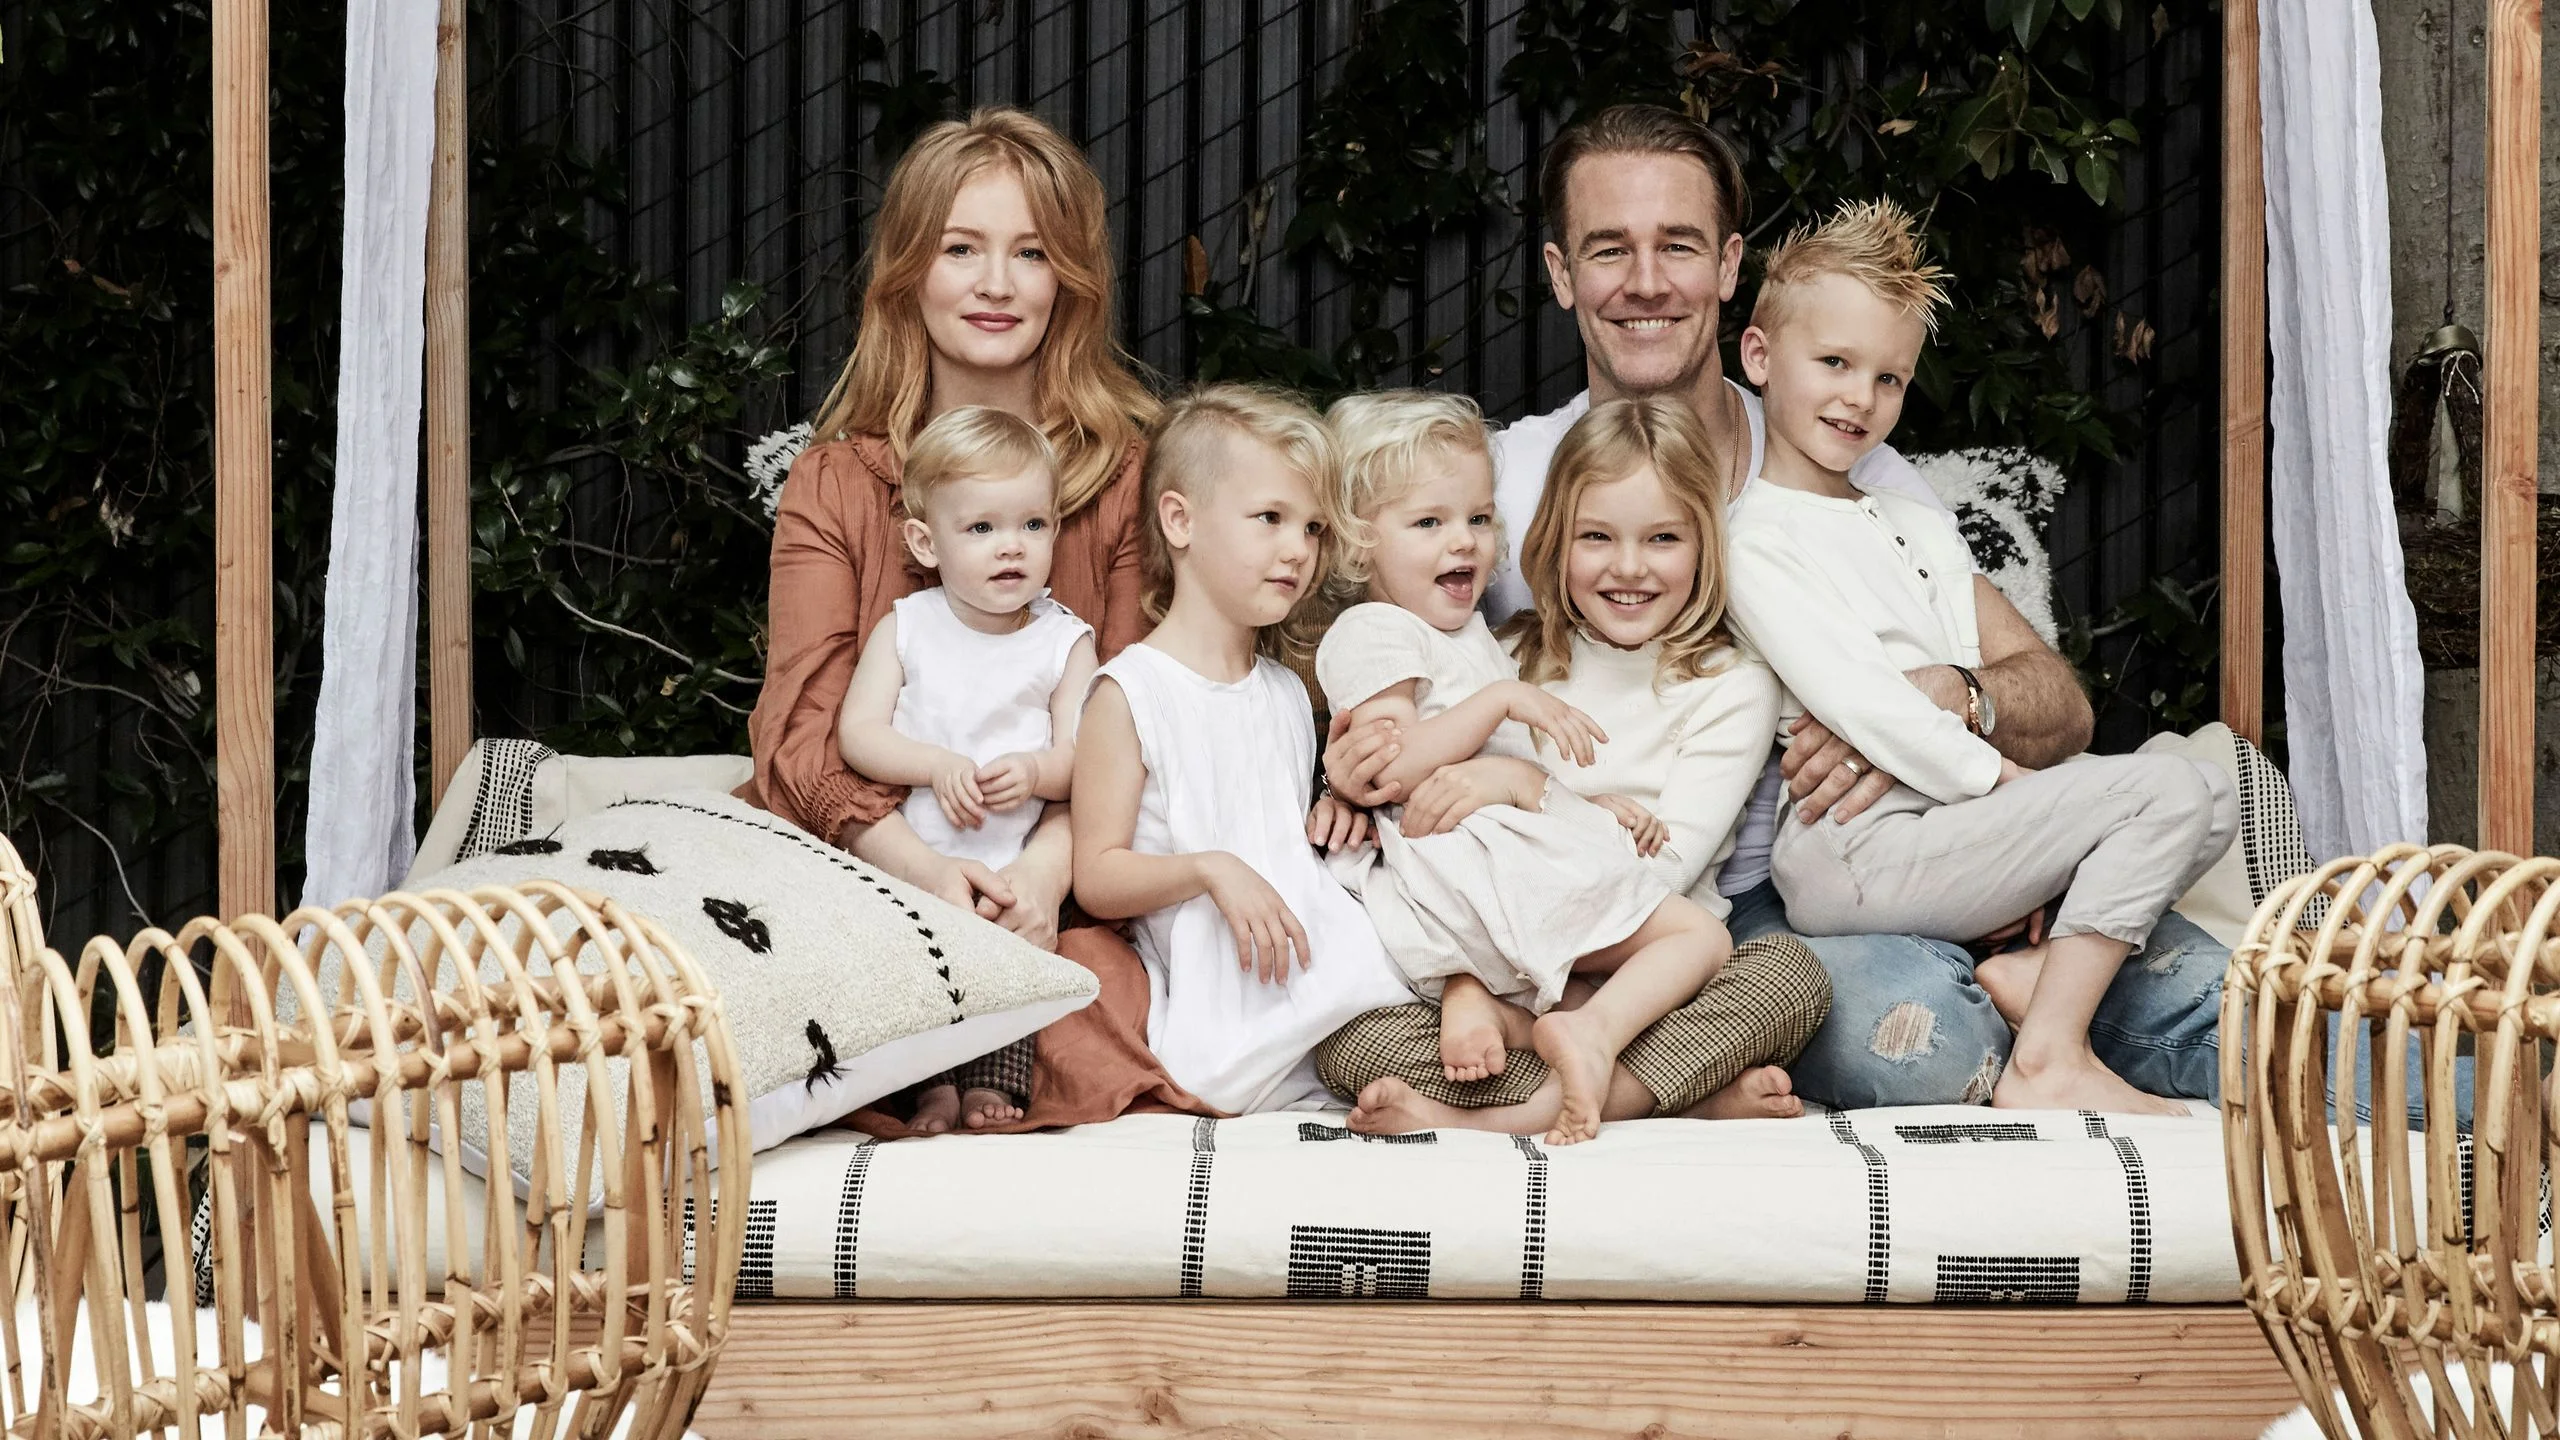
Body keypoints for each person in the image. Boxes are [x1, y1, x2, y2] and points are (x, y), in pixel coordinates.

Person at [1322, 101, 2232, 1111]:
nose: (1645, 281)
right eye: (1607, 249)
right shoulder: (1506, 488)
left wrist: (1937, 698)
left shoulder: (1841, 459)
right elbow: (1379, 637)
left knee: (2228, 1005)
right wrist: (1353, 761)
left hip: (1922, 836)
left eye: (1677, 245)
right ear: (1558, 273)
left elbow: (2057, 705)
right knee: (1924, 1043)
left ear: (1727, 267)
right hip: (1700, 903)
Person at [748, 107, 1202, 1137]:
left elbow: (1137, 715)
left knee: (1091, 992)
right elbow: (802, 729)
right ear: (911, 270)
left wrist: (1042, 871)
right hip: (869, 858)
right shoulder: (835, 482)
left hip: (1070, 871)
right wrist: (925, 872)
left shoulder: (1128, 476)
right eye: (962, 249)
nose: (996, 284)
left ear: (1067, 282)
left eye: (1030, 253)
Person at [1724, 200, 2235, 1116]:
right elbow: (1864, 705)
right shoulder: (1753, 537)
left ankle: (2041, 972)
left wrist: (2037, 833)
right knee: (2166, 793)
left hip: (1948, 832)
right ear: (1760, 357)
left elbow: (1965, 667)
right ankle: (2049, 1060)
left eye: (1888, 377)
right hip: (1854, 849)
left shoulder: (1913, 519)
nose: (1858, 398)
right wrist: (2018, 798)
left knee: (2213, 793)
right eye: (1833, 363)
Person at [1340, 396, 1816, 1139]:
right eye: (1597, 537)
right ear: (1556, 540)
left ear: (1704, 547)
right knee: (1351, 1032)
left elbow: (1659, 874)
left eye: (1662, 538)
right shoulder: (1505, 652)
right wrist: (1339, 791)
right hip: (1500, 949)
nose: (1629, 567)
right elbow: (1413, 780)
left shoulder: (1731, 685)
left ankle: (1524, 1088)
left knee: (1788, 981)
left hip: (1645, 976)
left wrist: (1518, 785)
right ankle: (1661, 1090)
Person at [1071, 386, 1414, 1114]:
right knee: (1451, 1050)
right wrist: (1210, 869)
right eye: (1271, 519)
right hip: (1237, 1018)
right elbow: (1096, 876)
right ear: (1179, 520)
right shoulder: (1130, 693)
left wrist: (1335, 816)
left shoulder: (1288, 692)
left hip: (1340, 974)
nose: (1298, 549)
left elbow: (1280, 840)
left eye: (1314, 528)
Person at [836, 405, 1099, 1130]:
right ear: (925, 541)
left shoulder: (1064, 642)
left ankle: (995, 1085)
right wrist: (934, 764)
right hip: (913, 860)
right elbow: (857, 734)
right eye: (981, 528)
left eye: (1033, 525)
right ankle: (928, 1085)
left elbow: (1090, 758)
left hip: (1010, 866)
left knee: (1010, 968)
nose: (1010, 547)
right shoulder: (908, 626)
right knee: (910, 964)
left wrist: (1038, 770)